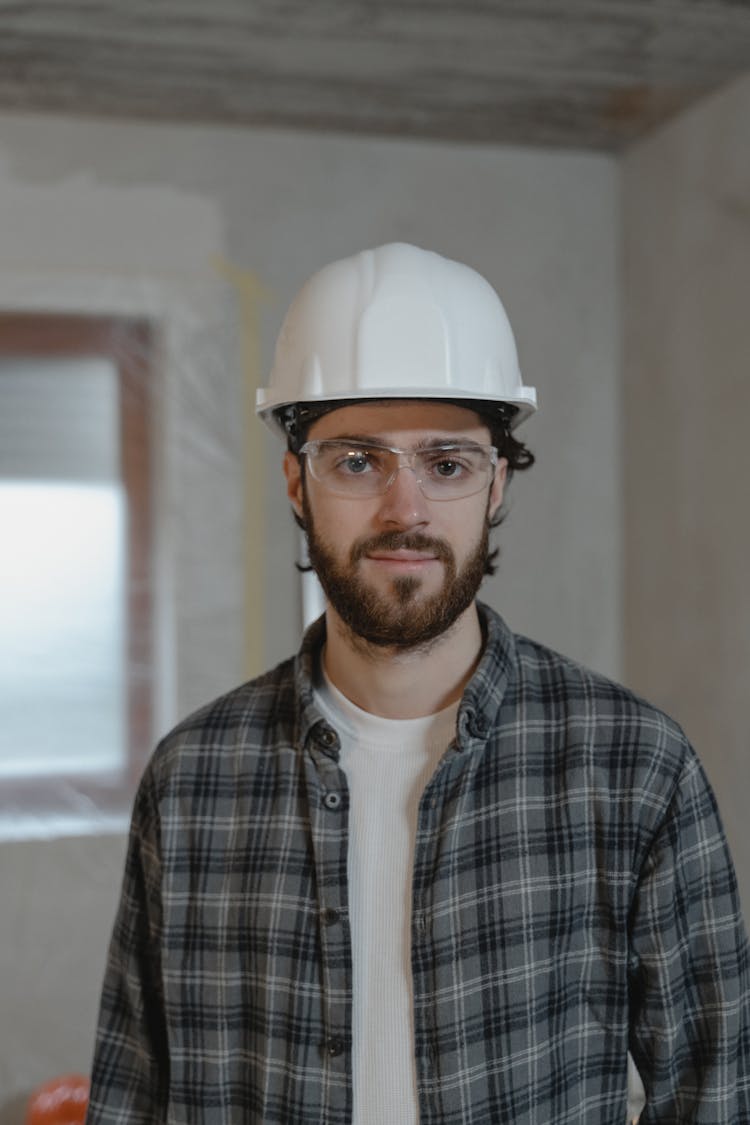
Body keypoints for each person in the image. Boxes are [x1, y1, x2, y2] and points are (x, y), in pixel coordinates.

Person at [85, 243, 750, 1124]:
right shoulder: (194, 777)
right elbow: (131, 1096)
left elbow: (712, 1097)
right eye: (357, 460)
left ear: (496, 485)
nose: (405, 508)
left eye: (447, 463)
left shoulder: (632, 766)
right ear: (297, 481)